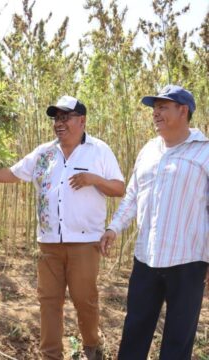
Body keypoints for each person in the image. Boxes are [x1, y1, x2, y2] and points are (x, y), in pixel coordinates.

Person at [0, 95, 125, 360]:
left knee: (85, 299)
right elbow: (12, 174)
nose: (59, 123)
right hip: (48, 242)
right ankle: (51, 355)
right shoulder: (44, 153)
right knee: (49, 301)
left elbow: (119, 188)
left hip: (85, 243)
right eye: (56, 119)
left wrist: (93, 179)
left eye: (66, 118)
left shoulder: (99, 150)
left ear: (82, 120)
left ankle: (92, 347)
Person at [100, 84, 209, 360]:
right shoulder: (148, 150)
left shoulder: (204, 153)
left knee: (178, 338)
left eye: (162, 107)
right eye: (154, 108)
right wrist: (114, 227)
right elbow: (133, 196)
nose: (155, 114)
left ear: (183, 111)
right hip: (146, 258)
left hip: (188, 260)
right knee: (134, 330)